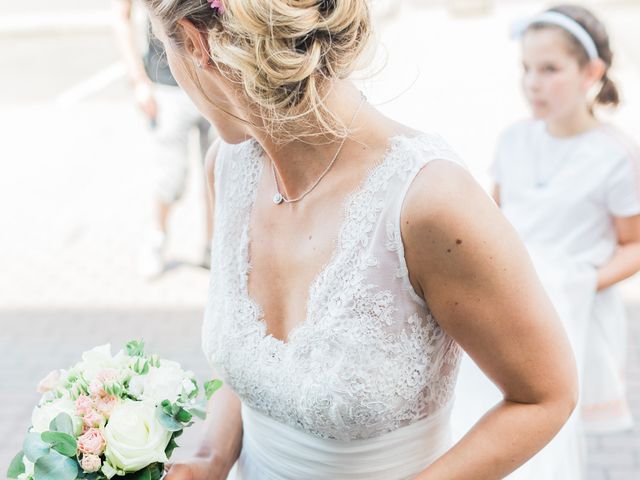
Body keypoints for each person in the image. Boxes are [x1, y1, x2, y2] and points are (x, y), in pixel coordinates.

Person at [140, 1, 578, 478]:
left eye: (166, 52)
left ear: (197, 43)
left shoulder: (428, 202)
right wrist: (210, 456)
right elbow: (251, 368)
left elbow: (545, 396)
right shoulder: (227, 169)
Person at [453, 4, 640, 479]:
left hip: (567, 302)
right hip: (509, 296)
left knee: (545, 419)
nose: (533, 83)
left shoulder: (615, 157)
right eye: (526, 69)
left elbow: (634, 245)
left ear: (590, 72)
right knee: (483, 405)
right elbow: (496, 219)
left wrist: (581, 280)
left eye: (550, 69)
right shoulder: (514, 140)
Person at [112, 0, 215, 277]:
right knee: (172, 178)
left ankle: (213, 246)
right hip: (167, 85)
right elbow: (121, 16)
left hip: (214, 78)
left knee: (219, 173)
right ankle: (156, 237)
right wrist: (138, 81)